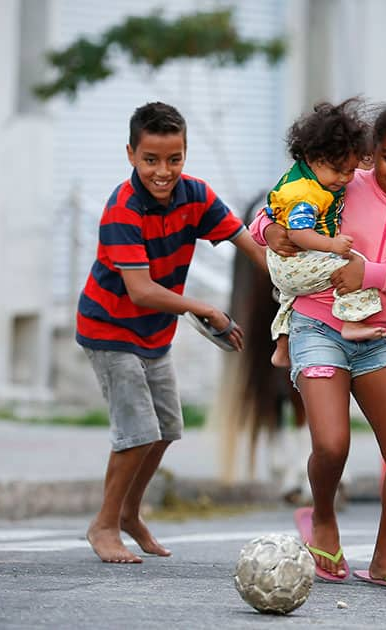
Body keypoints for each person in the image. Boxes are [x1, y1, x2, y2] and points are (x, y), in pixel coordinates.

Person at [252, 102, 386, 592]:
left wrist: (372, 273)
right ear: (371, 154)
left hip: (378, 338)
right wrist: (273, 232)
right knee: (331, 444)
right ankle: (323, 517)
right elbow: (271, 213)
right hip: (318, 326)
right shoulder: (346, 179)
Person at [76, 102, 266, 563]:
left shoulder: (195, 195)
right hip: (109, 329)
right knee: (137, 431)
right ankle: (102, 525)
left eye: (174, 159)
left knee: (164, 430)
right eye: (151, 160)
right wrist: (203, 309)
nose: (163, 171)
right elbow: (140, 290)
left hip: (154, 334)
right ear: (131, 154)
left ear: (185, 154)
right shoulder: (123, 209)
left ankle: (129, 514)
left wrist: (292, 284)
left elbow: (249, 245)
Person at [263, 98, 385, 369]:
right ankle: (352, 321)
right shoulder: (306, 195)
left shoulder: (300, 176)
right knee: (356, 267)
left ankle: (282, 347)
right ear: (314, 159)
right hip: (296, 259)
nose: (345, 179)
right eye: (338, 171)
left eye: (351, 171)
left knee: (289, 296)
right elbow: (298, 234)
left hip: (284, 266)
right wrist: (332, 245)